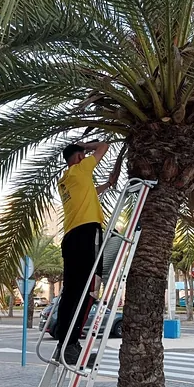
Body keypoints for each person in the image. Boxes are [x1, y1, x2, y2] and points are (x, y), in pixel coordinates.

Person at [54, 140, 116, 365]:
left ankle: (64, 345)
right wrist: (88, 146)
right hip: (86, 234)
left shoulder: (66, 181)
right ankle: (70, 347)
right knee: (87, 290)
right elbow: (105, 146)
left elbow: (90, 191)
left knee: (71, 292)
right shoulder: (80, 169)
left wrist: (106, 186)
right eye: (83, 155)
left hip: (71, 237)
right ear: (79, 158)